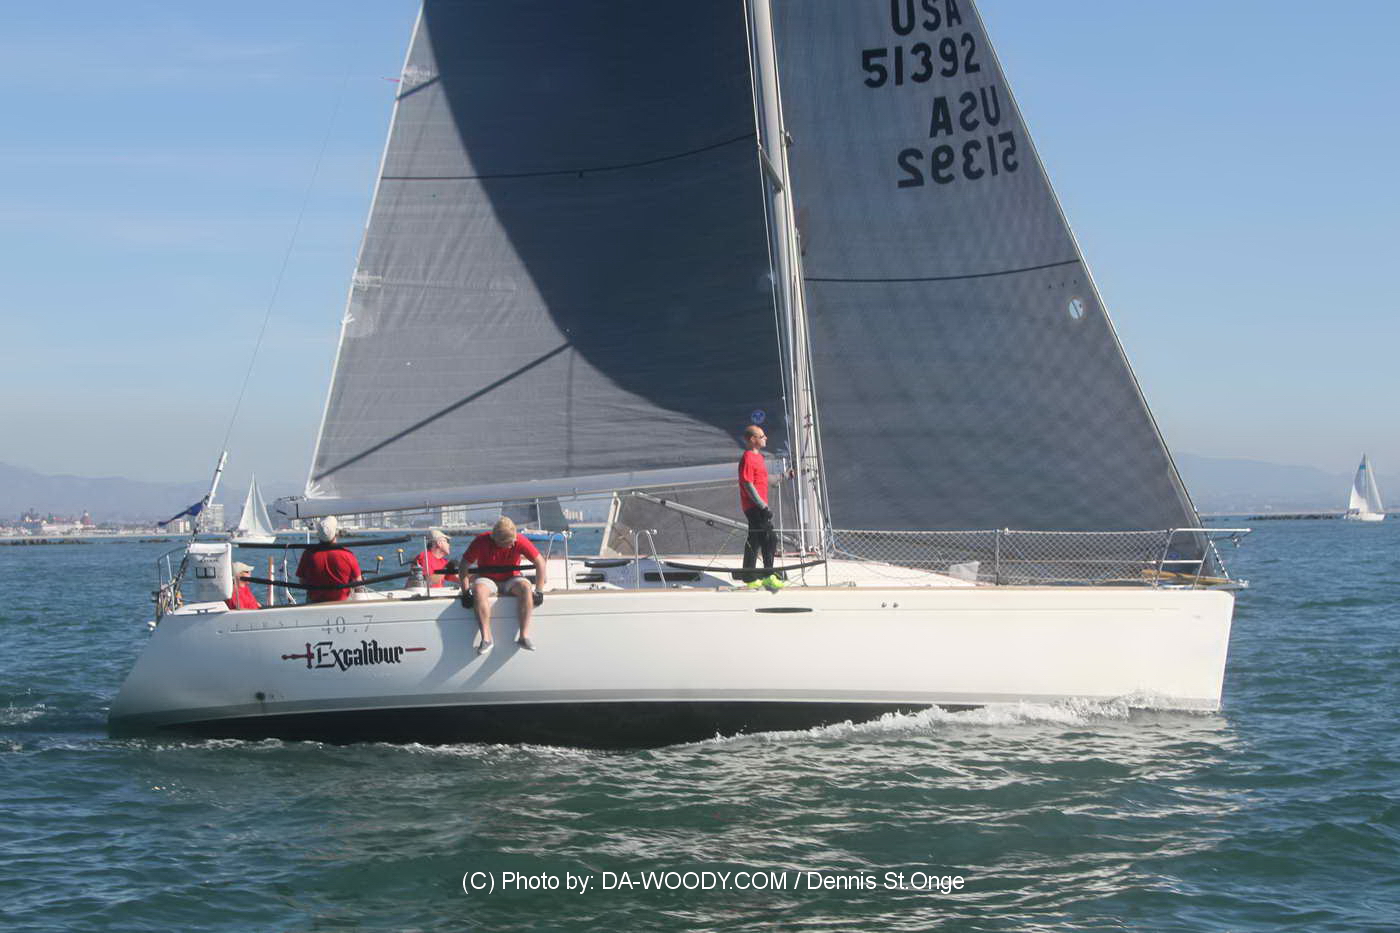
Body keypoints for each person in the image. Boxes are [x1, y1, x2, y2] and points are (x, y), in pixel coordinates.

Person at [461, 516, 546, 655]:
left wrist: (539, 591)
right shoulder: (481, 541)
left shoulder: (519, 540)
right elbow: (464, 565)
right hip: (487, 578)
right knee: (479, 590)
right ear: (497, 541)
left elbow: (540, 562)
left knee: (526, 587)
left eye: (513, 542)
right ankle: (486, 639)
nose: (512, 545)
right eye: (508, 543)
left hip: (512, 578)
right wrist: (465, 592)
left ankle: (523, 636)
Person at [738, 423, 779, 586]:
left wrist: (784, 476)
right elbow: (748, 484)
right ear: (752, 439)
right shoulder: (748, 458)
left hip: (758, 506)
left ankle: (748, 576)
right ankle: (768, 575)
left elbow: (764, 479)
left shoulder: (759, 458)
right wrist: (763, 506)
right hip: (755, 507)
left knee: (754, 540)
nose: (765, 438)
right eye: (762, 436)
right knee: (770, 539)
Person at [296, 515, 362, 603]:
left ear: (318, 535)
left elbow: (302, 582)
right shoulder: (347, 555)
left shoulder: (308, 554)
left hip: (314, 602)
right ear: (336, 534)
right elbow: (358, 584)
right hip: (342, 601)